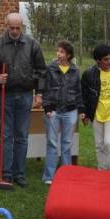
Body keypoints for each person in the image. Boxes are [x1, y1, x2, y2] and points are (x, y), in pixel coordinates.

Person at [0, 12, 46, 187]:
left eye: (17, 28)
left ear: (22, 27)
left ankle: (19, 173)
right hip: (5, 94)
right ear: (6, 26)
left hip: (25, 94)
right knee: (5, 135)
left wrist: (39, 93)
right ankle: (6, 173)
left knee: (22, 135)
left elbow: (41, 71)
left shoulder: (32, 44)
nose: (14, 31)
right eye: (11, 28)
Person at [40, 40, 83, 184]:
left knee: (67, 143)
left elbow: (78, 91)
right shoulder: (50, 68)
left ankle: (66, 175)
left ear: (69, 55)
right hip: (53, 111)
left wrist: (81, 109)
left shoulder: (75, 70)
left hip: (70, 111)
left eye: (62, 52)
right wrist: (47, 107)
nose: (58, 54)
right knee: (52, 143)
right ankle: (49, 176)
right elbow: (44, 88)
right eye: (58, 51)